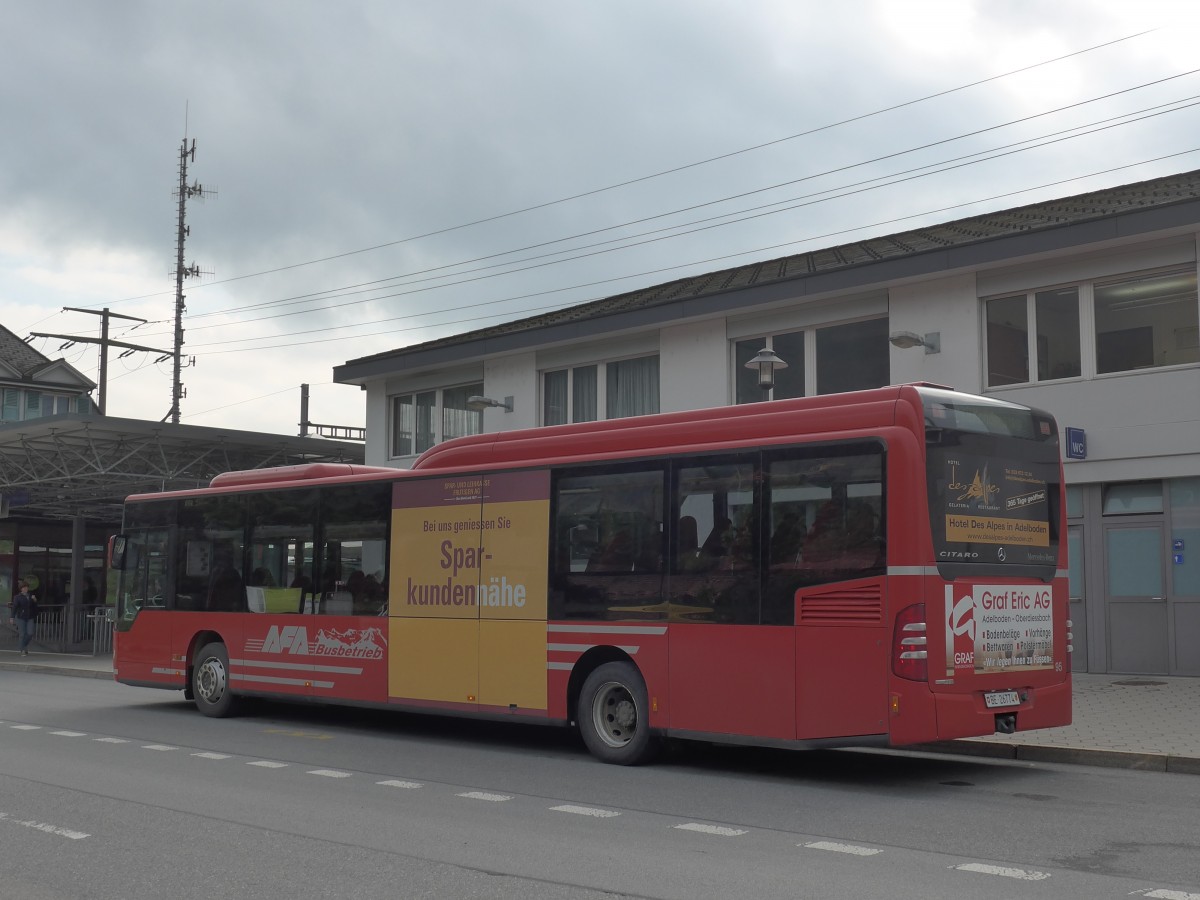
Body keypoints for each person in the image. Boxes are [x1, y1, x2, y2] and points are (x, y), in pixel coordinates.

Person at [10, 580, 39, 656]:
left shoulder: (31, 596)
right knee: (22, 634)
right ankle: (22, 649)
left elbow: (35, 607)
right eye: (24, 587)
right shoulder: (17, 597)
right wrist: (12, 617)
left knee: (30, 633)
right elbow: (15, 607)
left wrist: (35, 601)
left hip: (30, 617)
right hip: (21, 617)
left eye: (26, 587)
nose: (26, 589)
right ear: (21, 589)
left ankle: (23, 645)